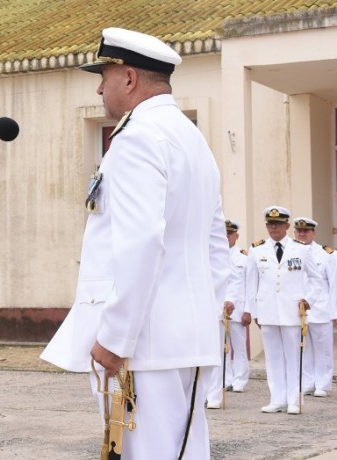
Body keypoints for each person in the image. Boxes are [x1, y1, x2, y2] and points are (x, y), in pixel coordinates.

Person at [40, 27, 229, 459]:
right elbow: (215, 250)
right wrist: (201, 316)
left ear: (128, 78)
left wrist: (116, 337)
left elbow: (140, 242)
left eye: (104, 76)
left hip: (143, 345)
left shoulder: (136, 138)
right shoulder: (192, 139)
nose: (99, 88)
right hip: (186, 339)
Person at [246, 206, 321, 414]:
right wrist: (253, 312)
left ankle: (294, 400)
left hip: (293, 311)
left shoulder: (301, 249)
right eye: (270, 224)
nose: (274, 228)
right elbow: (250, 284)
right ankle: (277, 399)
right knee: (273, 357)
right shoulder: (257, 249)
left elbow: (316, 279)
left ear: (287, 226)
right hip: (267, 310)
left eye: (278, 224)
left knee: (293, 356)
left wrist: (309, 300)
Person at [206, 219, 251, 409]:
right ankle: (221, 382)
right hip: (211, 309)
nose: (225, 237)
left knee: (235, 347)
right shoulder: (207, 252)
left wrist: (242, 306)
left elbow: (242, 284)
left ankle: (237, 380)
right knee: (214, 352)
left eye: (229, 234)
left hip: (233, 308)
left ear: (236, 236)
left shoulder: (241, 257)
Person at [292, 217, 334, 397]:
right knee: (303, 349)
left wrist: (334, 312)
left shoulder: (327, 254)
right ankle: (308, 382)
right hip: (297, 310)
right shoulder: (290, 251)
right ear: (294, 232)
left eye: (306, 231)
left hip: (321, 309)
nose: (302, 234)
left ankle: (322, 384)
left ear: (313, 233)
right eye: (299, 231)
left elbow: (334, 285)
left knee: (322, 349)